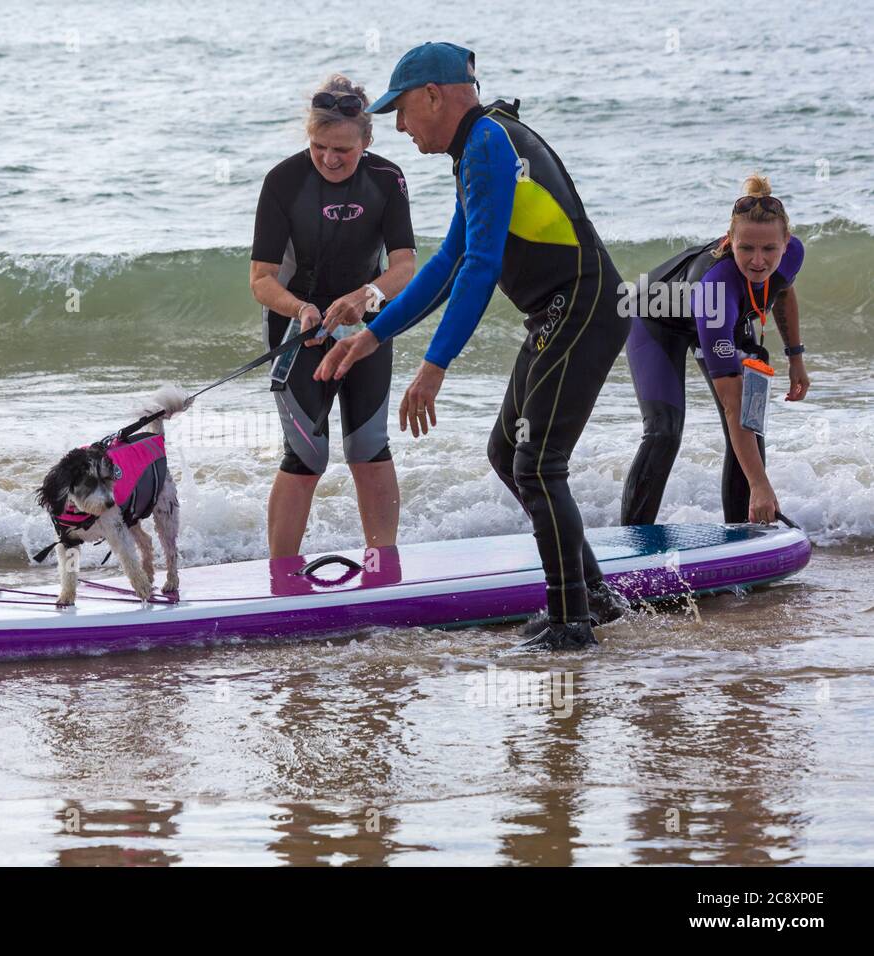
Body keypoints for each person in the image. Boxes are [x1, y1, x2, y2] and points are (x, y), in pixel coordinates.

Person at [314, 42, 631, 650]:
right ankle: (588, 594)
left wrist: (434, 367)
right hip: (565, 311)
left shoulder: (487, 142)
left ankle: (572, 621)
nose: (399, 126)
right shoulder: (481, 146)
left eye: (403, 110)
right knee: (508, 451)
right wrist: (371, 336)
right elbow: (447, 263)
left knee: (537, 463)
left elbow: (482, 267)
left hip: (582, 306)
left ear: (434, 96)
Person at [250, 74, 417, 558]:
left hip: (366, 325)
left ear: (367, 139)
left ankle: (382, 564)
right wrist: (302, 309)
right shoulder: (283, 181)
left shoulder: (387, 180)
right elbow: (261, 280)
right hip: (297, 329)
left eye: (343, 148)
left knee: (369, 449)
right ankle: (281, 574)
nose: (330, 158)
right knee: (306, 457)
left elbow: (404, 266)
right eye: (320, 146)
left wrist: (366, 294)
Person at [621, 174, 809, 526]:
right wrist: (761, 484)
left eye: (769, 249)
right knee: (664, 432)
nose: (758, 261)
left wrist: (795, 358)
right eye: (746, 248)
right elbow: (731, 403)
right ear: (729, 241)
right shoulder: (716, 288)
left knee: (751, 427)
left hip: (727, 319)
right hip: (657, 319)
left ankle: (740, 536)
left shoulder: (792, 254)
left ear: (786, 242)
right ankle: (631, 540)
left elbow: (782, 290)